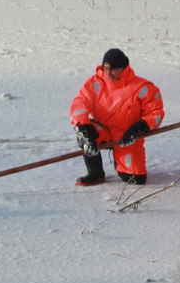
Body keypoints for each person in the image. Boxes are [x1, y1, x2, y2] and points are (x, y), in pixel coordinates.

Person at [69, 48, 165, 185]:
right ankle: (95, 173)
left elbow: (156, 112)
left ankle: (121, 163)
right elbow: (79, 103)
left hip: (128, 135)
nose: (108, 72)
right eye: (106, 68)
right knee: (84, 135)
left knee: (135, 180)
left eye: (112, 69)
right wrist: (83, 125)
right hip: (102, 130)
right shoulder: (95, 83)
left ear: (123, 68)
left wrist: (140, 127)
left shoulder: (142, 87)